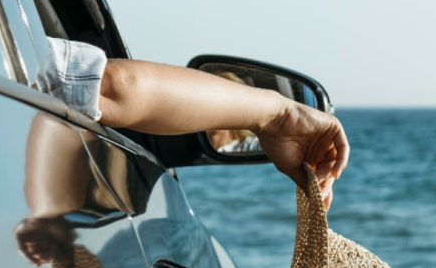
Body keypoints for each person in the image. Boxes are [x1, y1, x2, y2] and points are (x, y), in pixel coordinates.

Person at [39, 37, 347, 209]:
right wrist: (278, 117)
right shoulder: (9, 51)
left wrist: (279, 117)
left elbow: (106, 86)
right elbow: (109, 87)